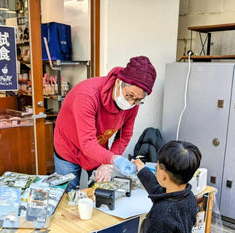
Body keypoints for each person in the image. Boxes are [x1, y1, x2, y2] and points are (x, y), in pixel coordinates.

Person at [53, 56, 157, 191]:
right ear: (119, 82)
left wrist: (108, 164)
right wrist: (114, 160)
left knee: (102, 193)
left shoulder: (132, 104)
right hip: (69, 147)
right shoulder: (87, 96)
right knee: (67, 196)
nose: (132, 103)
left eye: (138, 100)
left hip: (97, 148)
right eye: (129, 96)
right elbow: (87, 143)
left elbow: (124, 136)